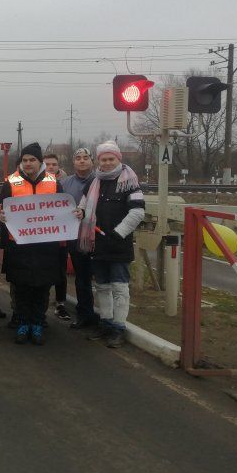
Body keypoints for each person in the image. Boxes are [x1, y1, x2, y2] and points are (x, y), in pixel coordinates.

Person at [0, 143, 66, 345]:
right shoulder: (11, 182)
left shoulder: (54, 183)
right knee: (21, 287)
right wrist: (3, 237)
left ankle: (37, 322)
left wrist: (77, 214)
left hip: (46, 246)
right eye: (25, 160)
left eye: (32, 160)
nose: (28, 163)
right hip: (19, 246)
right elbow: (3, 211)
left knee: (42, 287)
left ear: (40, 161)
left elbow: (63, 210)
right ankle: (23, 323)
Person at [79, 141, 145, 348]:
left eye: (111, 159)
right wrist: (80, 213)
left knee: (120, 287)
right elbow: (82, 206)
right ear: (98, 161)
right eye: (103, 159)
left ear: (119, 159)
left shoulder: (130, 182)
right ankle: (105, 323)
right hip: (97, 244)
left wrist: (118, 233)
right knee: (102, 286)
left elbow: (137, 211)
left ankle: (119, 328)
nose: (107, 163)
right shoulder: (93, 182)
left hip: (118, 245)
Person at [61, 147, 100, 329]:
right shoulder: (65, 183)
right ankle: (85, 313)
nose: (82, 161)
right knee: (82, 278)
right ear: (73, 162)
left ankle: (107, 317)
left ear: (92, 161)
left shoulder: (100, 180)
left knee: (104, 280)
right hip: (75, 237)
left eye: (86, 157)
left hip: (98, 237)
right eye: (78, 158)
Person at [44, 152, 72, 322]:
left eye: (54, 164)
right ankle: (43, 305)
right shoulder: (39, 182)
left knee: (61, 273)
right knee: (45, 272)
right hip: (44, 237)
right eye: (47, 164)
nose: (51, 167)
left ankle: (60, 304)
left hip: (61, 236)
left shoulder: (67, 182)